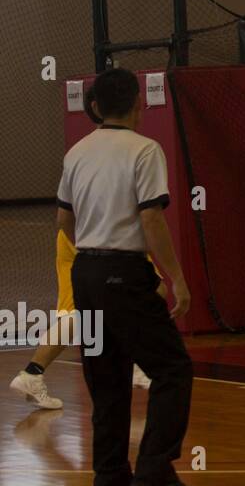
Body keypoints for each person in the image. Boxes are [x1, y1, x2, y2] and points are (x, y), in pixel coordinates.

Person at [57, 68, 202, 486]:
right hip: (125, 273)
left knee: (106, 381)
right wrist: (175, 277)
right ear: (138, 103)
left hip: (85, 273)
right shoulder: (145, 150)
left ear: (96, 107)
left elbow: (64, 220)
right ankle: (154, 471)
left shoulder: (76, 153)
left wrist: (94, 249)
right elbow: (151, 217)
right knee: (173, 369)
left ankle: (109, 483)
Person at [12, 89, 154, 410]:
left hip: (98, 236)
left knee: (116, 303)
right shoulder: (118, 149)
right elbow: (67, 215)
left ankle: (132, 362)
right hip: (92, 238)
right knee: (83, 313)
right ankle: (33, 372)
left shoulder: (94, 148)